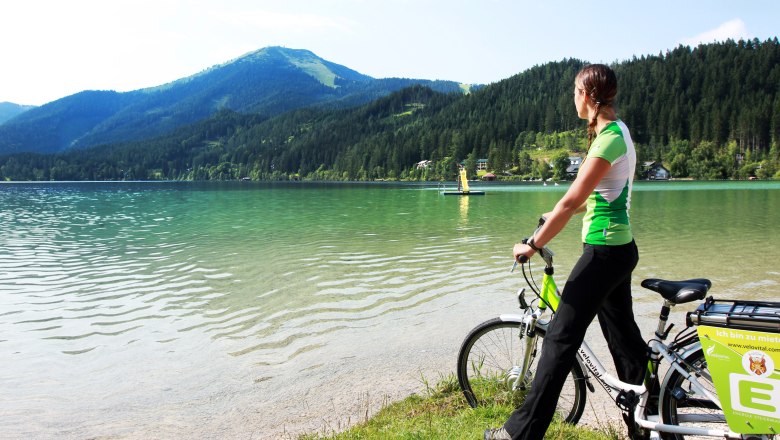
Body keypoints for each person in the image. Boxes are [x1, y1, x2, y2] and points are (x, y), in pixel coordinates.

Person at [485, 64, 648, 440]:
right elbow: (591, 198)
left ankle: (520, 434)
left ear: (589, 96)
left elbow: (573, 198)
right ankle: (647, 422)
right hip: (619, 250)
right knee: (625, 342)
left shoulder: (608, 138)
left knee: (559, 340)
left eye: (575, 91)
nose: (572, 98)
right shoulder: (617, 132)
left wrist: (533, 244)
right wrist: (550, 217)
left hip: (605, 252)